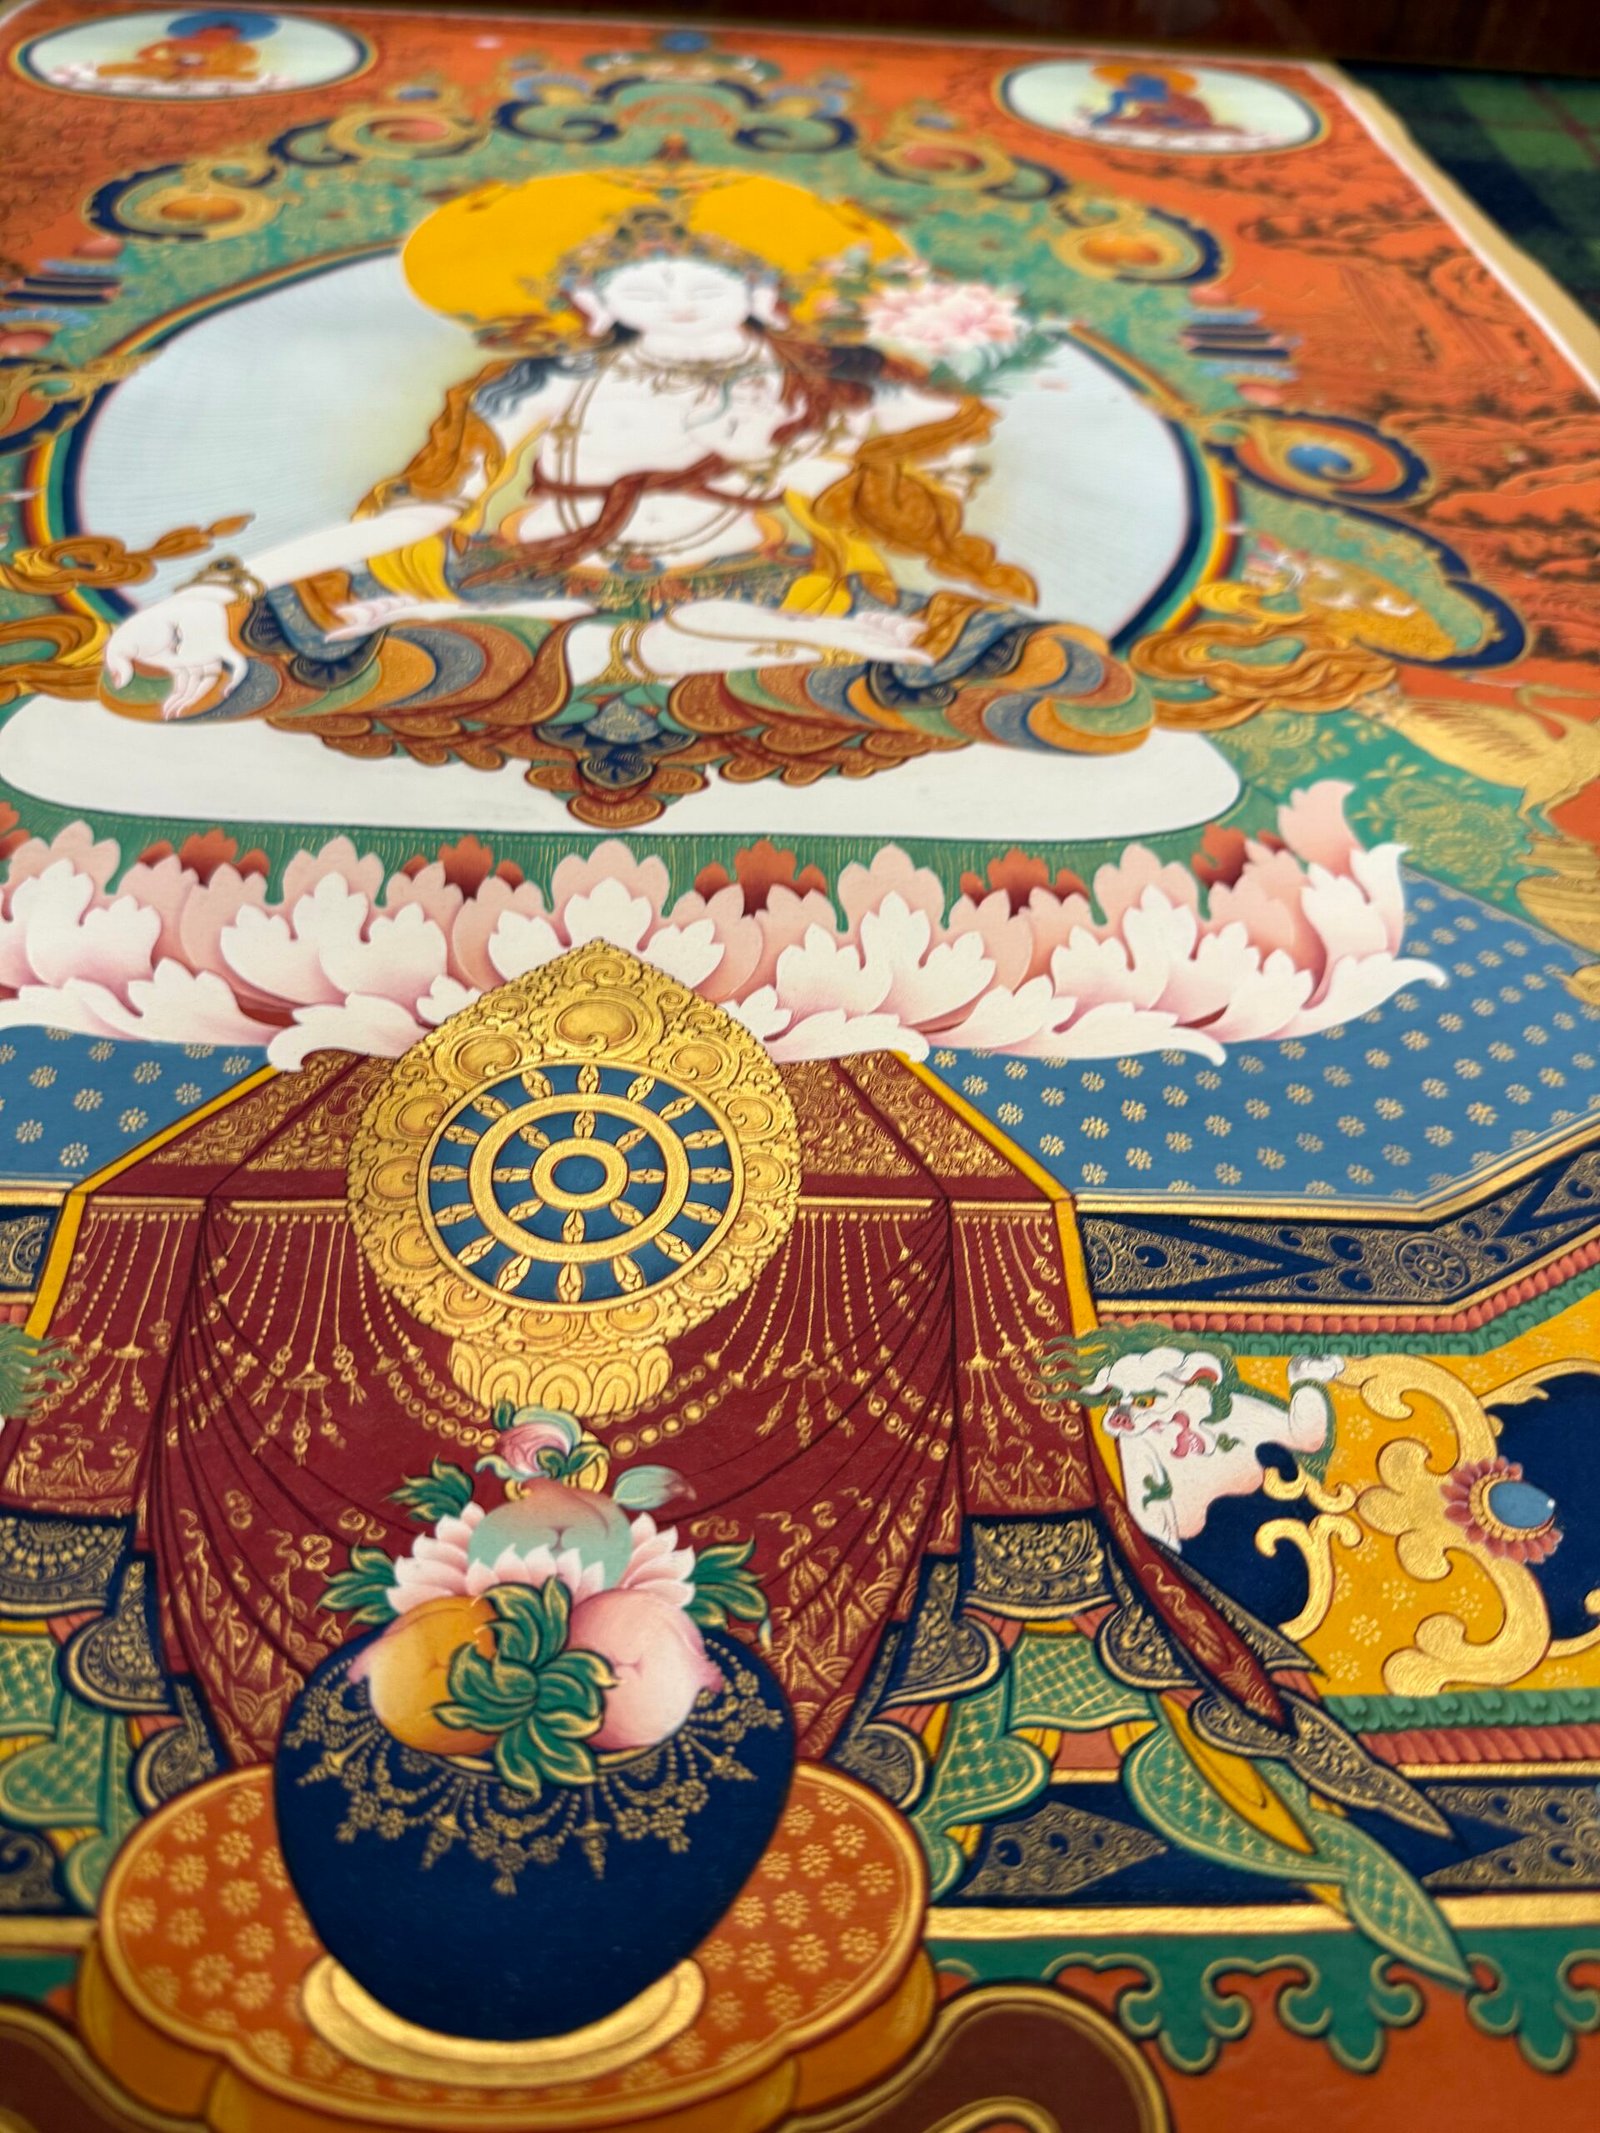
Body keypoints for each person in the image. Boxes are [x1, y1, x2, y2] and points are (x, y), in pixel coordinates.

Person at [100, 170, 1153, 803]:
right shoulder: (544, 383)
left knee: (999, 657)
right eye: (640, 282)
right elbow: (427, 510)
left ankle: (779, 648)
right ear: (594, 304)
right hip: (518, 585)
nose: (676, 296)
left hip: (756, 589)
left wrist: (889, 392)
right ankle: (760, 653)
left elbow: (962, 428)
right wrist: (227, 588)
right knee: (335, 641)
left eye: (706, 278)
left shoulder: (835, 383)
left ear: (762, 289)